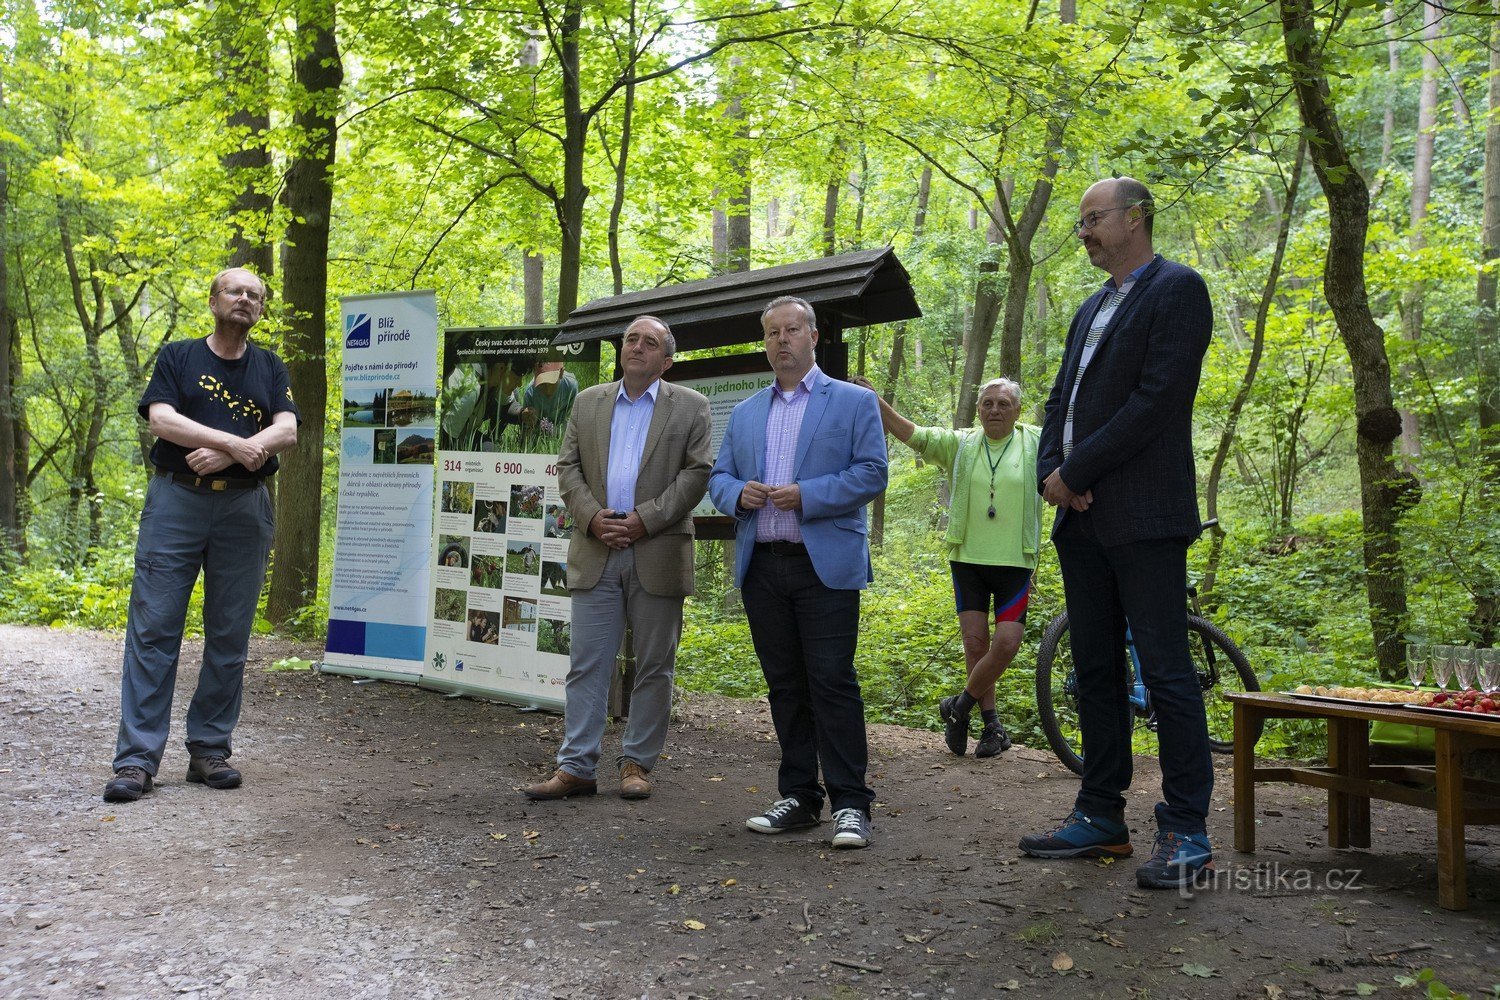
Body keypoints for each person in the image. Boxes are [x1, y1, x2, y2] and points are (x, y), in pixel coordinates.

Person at [1019, 176, 1216, 890]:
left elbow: (1158, 399)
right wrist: (1052, 473)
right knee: (1094, 670)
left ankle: (1187, 830)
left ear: (1136, 218)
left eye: (1093, 220)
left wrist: (1078, 468)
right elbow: (1059, 397)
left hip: (1145, 516)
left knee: (1164, 672)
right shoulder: (1091, 307)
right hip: (1080, 517)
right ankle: (1101, 815)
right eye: (1080, 224)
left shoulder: (1178, 289)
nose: (1083, 233)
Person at [102, 267, 300, 803]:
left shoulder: (268, 365)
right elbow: (163, 420)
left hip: (244, 510)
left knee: (230, 636)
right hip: (176, 502)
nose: (245, 299)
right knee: (154, 630)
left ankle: (209, 750)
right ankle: (137, 761)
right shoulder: (179, 357)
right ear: (213, 301)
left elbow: (287, 429)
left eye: (255, 295)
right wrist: (236, 444)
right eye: (235, 291)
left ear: (260, 310)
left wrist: (232, 452)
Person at [708, 296, 887, 850]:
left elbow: (872, 473)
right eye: (771, 334)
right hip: (763, 566)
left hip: (824, 567)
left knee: (832, 683)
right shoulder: (745, 412)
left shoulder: (854, 402)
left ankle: (851, 804)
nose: (781, 341)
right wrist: (741, 493)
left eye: (791, 330)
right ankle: (800, 797)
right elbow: (718, 479)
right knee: (785, 686)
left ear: (812, 336)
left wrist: (805, 495)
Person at [523, 315, 712, 802]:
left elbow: (697, 474)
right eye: (631, 339)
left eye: (650, 342)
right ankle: (577, 767)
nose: (637, 347)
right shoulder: (588, 403)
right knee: (588, 664)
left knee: (654, 665)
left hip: (659, 549)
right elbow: (567, 467)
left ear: (666, 360)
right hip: (596, 548)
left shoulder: (691, 407)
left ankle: (636, 765)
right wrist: (592, 517)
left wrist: (645, 519)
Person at [849, 374, 1042, 758]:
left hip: (1015, 563)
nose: (995, 410)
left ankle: (959, 707)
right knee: (975, 644)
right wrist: (877, 402)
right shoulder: (963, 443)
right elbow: (914, 435)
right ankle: (990, 727)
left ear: (1018, 410)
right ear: (978, 410)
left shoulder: (1036, 441)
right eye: (988, 403)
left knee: (1005, 644)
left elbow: (1073, 448)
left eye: (1004, 404)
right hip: (967, 559)